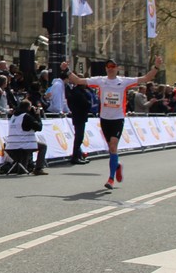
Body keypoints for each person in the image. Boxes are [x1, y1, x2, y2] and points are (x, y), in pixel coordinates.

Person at [65, 56, 162, 189]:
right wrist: (67, 70)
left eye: (113, 66)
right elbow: (78, 80)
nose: (110, 69)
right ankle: (117, 165)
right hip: (105, 119)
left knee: (113, 146)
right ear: (106, 69)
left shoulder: (123, 81)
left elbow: (145, 78)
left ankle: (111, 179)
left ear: (117, 68)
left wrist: (156, 66)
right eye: (108, 67)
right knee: (111, 149)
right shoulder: (100, 81)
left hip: (118, 118)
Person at [64, 67, 94, 164]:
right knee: (79, 137)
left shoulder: (79, 91)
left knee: (79, 137)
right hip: (79, 115)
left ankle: (78, 155)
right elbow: (86, 103)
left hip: (80, 115)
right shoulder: (78, 92)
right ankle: (75, 157)